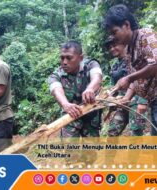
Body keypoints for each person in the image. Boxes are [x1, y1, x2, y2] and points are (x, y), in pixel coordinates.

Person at [103, 4, 157, 135]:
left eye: (114, 32)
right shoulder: (129, 51)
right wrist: (125, 99)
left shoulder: (146, 36)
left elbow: (155, 64)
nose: (114, 37)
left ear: (126, 25)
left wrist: (128, 78)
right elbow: (136, 81)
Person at [48, 40, 102, 137]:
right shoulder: (57, 74)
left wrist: (90, 88)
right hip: (70, 116)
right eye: (62, 58)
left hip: (91, 115)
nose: (64, 62)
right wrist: (65, 104)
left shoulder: (91, 64)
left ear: (80, 58)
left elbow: (97, 77)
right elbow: (56, 89)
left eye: (69, 58)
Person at [105, 36, 148, 136]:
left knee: (136, 133)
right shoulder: (115, 65)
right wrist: (111, 106)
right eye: (110, 47)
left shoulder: (135, 59)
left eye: (115, 45)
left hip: (135, 102)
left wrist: (142, 101)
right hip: (121, 103)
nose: (112, 49)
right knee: (112, 132)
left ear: (124, 44)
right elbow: (114, 88)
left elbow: (144, 79)